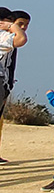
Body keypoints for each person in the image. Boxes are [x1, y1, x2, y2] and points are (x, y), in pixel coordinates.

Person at [0, 9, 30, 164]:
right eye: (20, 24)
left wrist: (8, 87)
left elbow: (10, 69)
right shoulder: (6, 38)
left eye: (26, 25)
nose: (23, 28)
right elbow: (21, 39)